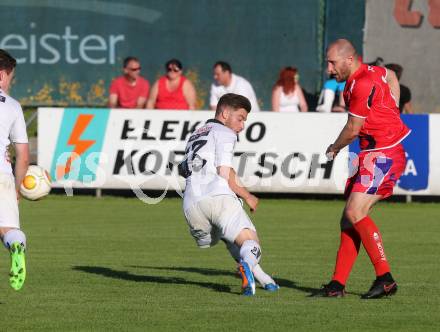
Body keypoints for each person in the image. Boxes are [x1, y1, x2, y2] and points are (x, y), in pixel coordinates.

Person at [322, 39, 411, 299]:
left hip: (385, 153)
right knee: (348, 218)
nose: (329, 69)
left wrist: (334, 148)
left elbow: (352, 130)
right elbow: (391, 74)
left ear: (349, 59)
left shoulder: (361, 83)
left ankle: (386, 279)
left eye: (332, 63)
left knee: (354, 211)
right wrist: (392, 105)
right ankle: (337, 285)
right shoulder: (371, 73)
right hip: (373, 153)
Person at [178, 93, 278, 296]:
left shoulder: (196, 134)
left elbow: (182, 169)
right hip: (218, 197)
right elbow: (224, 171)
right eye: (240, 118)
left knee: (231, 238)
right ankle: (247, 268)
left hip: (191, 206)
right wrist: (246, 195)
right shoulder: (225, 133)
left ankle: (265, 280)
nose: (242, 126)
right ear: (224, 113)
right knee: (251, 243)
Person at [0, 49, 29, 291]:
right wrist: (17, 188)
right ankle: (16, 245)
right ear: (2, 74)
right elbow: (23, 155)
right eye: (11, 76)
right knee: (8, 228)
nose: (11, 82)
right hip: (2, 174)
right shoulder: (12, 106)